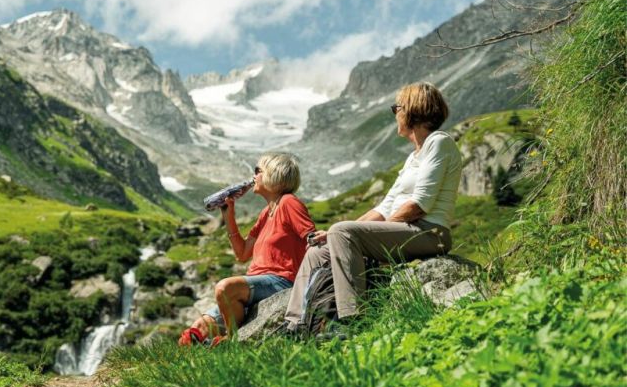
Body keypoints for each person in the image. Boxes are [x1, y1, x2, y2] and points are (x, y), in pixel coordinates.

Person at [282, 82, 462, 334]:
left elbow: (421, 204)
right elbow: (385, 205)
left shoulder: (438, 142)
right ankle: (294, 323)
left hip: (430, 232)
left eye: (396, 108)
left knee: (342, 233)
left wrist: (353, 232)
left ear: (412, 110)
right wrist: (336, 234)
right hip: (407, 229)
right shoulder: (413, 157)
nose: (394, 114)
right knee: (318, 250)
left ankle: (351, 319)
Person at [180, 153, 315, 346]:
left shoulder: (288, 202)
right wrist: (229, 216)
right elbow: (242, 254)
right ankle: (192, 362)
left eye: (257, 171)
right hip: (259, 282)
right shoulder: (265, 213)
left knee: (224, 288)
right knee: (198, 327)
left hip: (283, 281)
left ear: (274, 175)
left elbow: (310, 236)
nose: (253, 177)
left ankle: (234, 343)